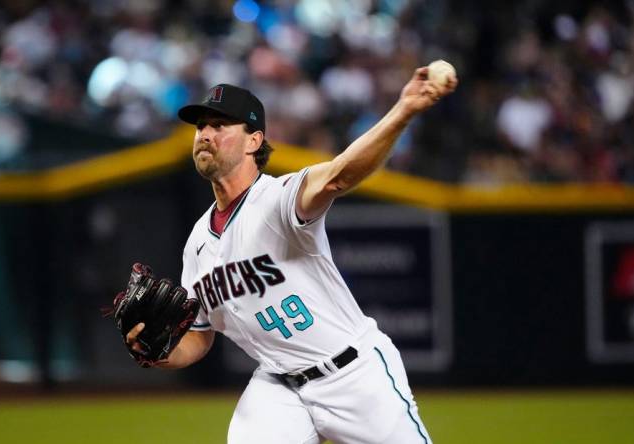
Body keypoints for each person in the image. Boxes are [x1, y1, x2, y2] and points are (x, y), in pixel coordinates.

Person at [125, 66, 457, 443]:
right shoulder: (197, 244)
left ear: (254, 141)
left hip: (354, 374)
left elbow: (337, 176)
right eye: (201, 127)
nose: (205, 134)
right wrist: (156, 351)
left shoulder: (277, 199)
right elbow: (199, 337)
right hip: (278, 387)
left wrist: (404, 110)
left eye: (220, 126)